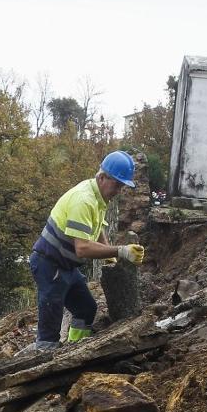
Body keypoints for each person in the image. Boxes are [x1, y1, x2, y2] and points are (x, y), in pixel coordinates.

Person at [28, 150, 146, 351]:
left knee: (86, 309)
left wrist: (110, 256)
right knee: (50, 326)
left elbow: (97, 227)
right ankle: (43, 364)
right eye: (117, 184)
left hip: (66, 265)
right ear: (102, 177)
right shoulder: (84, 200)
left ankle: (74, 349)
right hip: (50, 264)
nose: (119, 190)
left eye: (121, 186)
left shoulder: (98, 198)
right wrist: (120, 251)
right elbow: (82, 248)